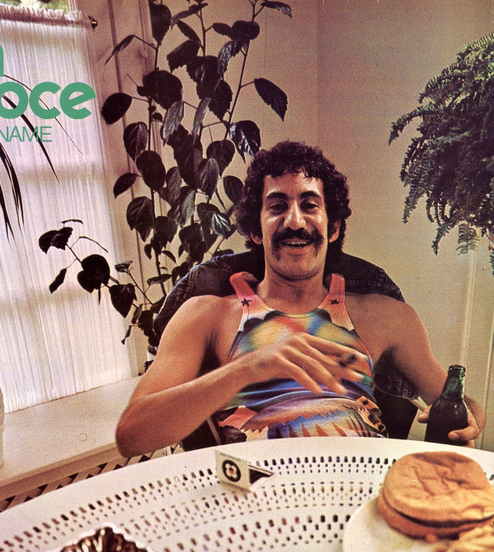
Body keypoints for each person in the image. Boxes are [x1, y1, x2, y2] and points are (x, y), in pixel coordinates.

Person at [115, 141, 485, 457]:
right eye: (277, 206)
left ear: (333, 227)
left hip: (361, 493)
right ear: (255, 230)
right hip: (259, 502)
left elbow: (457, 403)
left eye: (309, 205)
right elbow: (131, 435)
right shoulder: (206, 313)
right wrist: (247, 367)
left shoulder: (385, 315)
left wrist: (472, 417)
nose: (295, 221)